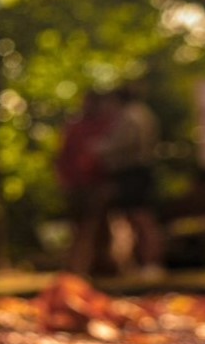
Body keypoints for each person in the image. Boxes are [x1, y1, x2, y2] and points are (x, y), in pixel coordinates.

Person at [103, 80, 164, 275]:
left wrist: (100, 149)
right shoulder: (143, 113)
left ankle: (151, 264)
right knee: (138, 218)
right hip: (138, 171)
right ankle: (144, 264)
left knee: (141, 218)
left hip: (133, 172)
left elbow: (125, 143)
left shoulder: (131, 115)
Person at [55, 90, 117, 278]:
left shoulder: (108, 125)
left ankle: (101, 267)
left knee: (99, 228)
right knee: (80, 228)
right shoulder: (74, 127)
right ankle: (76, 268)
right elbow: (62, 156)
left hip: (99, 184)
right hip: (77, 185)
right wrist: (64, 180)